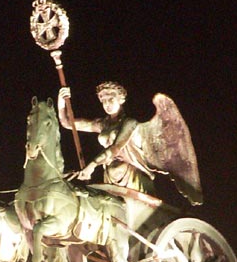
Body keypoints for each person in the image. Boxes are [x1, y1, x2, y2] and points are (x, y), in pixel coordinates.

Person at [57, 83, 203, 206]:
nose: (107, 104)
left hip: (132, 177)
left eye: (110, 99)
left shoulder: (130, 123)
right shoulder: (102, 125)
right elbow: (67, 123)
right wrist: (61, 101)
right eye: (103, 101)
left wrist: (92, 165)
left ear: (121, 99)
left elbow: (115, 148)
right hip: (110, 176)